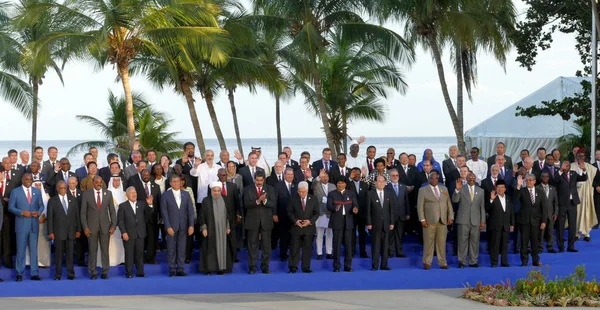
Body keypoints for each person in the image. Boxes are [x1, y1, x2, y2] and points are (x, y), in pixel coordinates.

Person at [9, 173, 44, 282]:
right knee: (21, 250)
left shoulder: (37, 191)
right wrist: (22, 212)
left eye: (30, 179)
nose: (29, 180)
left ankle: (34, 273)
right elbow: (11, 207)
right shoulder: (15, 192)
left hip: (34, 224)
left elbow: (41, 205)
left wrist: (38, 212)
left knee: (34, 250)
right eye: (27, 179)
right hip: (21, 225)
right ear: (22, 179)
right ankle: (19, 273)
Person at [81, 176, 117, 280]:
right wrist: (85, 227)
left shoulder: (108, 193)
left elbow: (112, 211)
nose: (99, 184)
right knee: (92, 250)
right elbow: (83, 213)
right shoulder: (86, 194)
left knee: (105, 250)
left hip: (105, 227)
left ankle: (105, 272)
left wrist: (113, 225)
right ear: (93, 183)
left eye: (100, 182)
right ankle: (92, 272)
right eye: (96, 182)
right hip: (91, 227)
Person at [417, 171, 454, 270]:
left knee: (442, 243)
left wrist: (450, 216)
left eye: (436, 178)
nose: (434, 180)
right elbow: (420, 206)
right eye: (432, 178)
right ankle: (427, 262)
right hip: (429, 221)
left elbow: (448, 204)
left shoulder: (444, 189)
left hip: (443, 220)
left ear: (438, 179)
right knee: (428, 242)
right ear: (428, 179)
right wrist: (422, 219)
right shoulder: (423, 190)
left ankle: (442, 262)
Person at [161, 175, 195, 277]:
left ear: (181, 183)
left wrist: (191, 225)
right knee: (171, 249)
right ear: (170, 183)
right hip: (171, 226)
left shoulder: (186, 194)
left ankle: (180, 269)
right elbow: (164, 213)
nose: (176, 183)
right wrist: (168, 226)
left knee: (181, 248)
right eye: (174, 182)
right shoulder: (165, 195)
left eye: (178, 181)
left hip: (184, 226)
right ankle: (172, 269)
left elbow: (191, 211)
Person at [243, 171, 276, 274]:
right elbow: (246, 204)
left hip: (266, 221)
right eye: (257, 180)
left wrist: (264, 201)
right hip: (252, 221)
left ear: (264, 180)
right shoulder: (247, 189)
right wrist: (257, 201)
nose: (259, 182)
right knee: (252, 245)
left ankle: (265, 266)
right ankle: (252, 267)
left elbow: (273, 203)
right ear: (254, 179)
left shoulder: (270, 189)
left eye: (261, 180)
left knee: (266, 245)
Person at [47, 181, 81, 280]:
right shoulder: (52, 201)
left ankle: (71, 274)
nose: (62, 190)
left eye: (64, 188)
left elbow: (77, 216)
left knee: (70, 254)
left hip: (71, 232)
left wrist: (78, 229)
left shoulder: (73, 200)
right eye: (60, 188)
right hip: (58, 232)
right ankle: (58, 275)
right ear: (57, 189)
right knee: (59, 255)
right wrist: (50, 232)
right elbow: (50, 218)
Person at [118, 186, 154, 278]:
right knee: (129, 254)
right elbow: (120, 221)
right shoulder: (123, 206)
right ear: (127, 195)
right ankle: (129, 272)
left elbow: (148, 214)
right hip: (128, 234)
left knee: (140, 254)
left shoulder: (142, 204)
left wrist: (150, 205)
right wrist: (123, 232)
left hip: (140, 233)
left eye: (135, 193)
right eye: (132, 193)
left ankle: (140, 272)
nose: (134, 194)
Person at [452, 172, 485, 268]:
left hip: (476, 220)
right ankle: (462, 261)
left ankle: (473, 261)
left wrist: (482, 221)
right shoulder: (461, 189)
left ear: (475, 179)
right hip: (463, 220)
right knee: (462, 241)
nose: (471, 179)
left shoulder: (481, 191)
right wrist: (457, 190)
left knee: (475, 242)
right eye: (469, 178)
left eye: (473, 178)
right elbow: (455, 200)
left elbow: (482, 207)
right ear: (466, 179)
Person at [199, 182, 232, 275]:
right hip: (210, 229)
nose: (217, 193)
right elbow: (202, 215)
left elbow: (228, 215)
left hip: (222, 229)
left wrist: (228, 227)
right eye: (215, 191)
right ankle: (209, 269)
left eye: (218, 191)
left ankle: (221, 268)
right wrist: (204, 228)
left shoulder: (225, 199)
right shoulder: (206, 200)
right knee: (210, 249)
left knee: (222, 248)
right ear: (211, 191)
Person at [515, 174, 547, 267]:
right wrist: (518, 186)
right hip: (524, 221)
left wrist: (543, 221)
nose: (528, 182)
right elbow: (515, 198)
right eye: (527, 180)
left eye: (530, 180)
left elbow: (544, 208)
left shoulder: (540, 192)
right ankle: (524, 261)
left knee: (535, 242)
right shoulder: (522, 191)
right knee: (524, 242)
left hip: (536, 222)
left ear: (534, 181)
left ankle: (535, 260)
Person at [555, 160, 587, 252]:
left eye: (567, 165)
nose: (566, 167)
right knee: (560, 225)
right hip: (562, 203)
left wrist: (584, 169)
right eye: (564, 165)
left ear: (570, 167)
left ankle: (571, 246)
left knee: (572, 225)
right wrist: (561, 170)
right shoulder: (559, 174)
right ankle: (560, 247)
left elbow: (584, 178)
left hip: (572, 203)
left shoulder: (574, 174)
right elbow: (554, 180)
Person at [327, 178, 358, 272]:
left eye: (342, 183)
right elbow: (328, 206)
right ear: (336, 184)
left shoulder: (351, 193)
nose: (340, 185)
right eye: (339, 183)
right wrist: (334, 208)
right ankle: (336, 266)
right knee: (336, 245)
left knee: (348, 245)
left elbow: (355, 205)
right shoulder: (332, 194)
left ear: (345, 184)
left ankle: (348, 266)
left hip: (348, 222)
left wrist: (355, 209)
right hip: (337, 222)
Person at [287, 181, 318, 273]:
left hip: (309, 228)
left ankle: (306, 267)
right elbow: (289, 212)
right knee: (294, 248)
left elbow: (316, 213)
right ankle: (293, 267)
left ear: (307, 190)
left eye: (303, 192)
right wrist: (295, 221)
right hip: (296, 228)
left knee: (307, 248)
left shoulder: (313, 199)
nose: (301, 193)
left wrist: (310, 221)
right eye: (299, 191)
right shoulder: (293, 199)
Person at [366, 175, 395, 271]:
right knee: (375, 246)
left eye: (383, 181)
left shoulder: (389, 193)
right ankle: (375, 265)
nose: (381, 183)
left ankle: (384, 265)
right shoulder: (370, 194)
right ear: (375, 182)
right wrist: (369, 223)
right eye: (379, 181)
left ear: (386, 183)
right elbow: (368, 210)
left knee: (385, 246)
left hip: (386, 224)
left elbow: (391, 209)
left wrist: (392, 222)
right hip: (375, 224)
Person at [132, 170, 161, 264]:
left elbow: (159, 202)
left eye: (147, 175)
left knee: (152, 239)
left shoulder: (156, 186)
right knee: (140, 238)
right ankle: (140, 258)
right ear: (141, 176)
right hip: (140, 217)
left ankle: (151, 258)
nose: (146, 176)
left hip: (153, 217)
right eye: (144, 175)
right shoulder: (136, 186)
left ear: (150, 176)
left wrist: (160, 216)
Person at [486, 180, 514, 267]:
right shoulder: (492, 197)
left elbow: (511, 212)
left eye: (502, 187)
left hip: (506, 225)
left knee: (505, 245)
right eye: (498, 187)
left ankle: (504, 262)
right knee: (495, 245)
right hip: (495, 226)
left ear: (505, 189)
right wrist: (491, 200)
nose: (500, 189)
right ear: (496, 188)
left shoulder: (508, 198)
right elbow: (487, 209)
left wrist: (512, 224)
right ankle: (494, 262)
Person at [216, 168, 241, 262]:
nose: (223, 177)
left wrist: (238, 215)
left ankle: (233, 257)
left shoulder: (233, 186)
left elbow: (237, 202)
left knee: (232, 238)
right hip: (218, 216)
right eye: (221, 175)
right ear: (217, 175)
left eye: (224, 175)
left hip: (231, 216)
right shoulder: (213, 186)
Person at [571, 151, 597, 241]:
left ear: (585, 157)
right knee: (575, 214)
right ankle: (575, 233)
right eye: (579, 156)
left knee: (586, 212)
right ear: (576, 156)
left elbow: (593, 180)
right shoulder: (571, 166)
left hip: (586, 193)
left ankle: (586, 233)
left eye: (582, 156)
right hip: (574, 194)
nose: (581, 157)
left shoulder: (591, 167)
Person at [273, 167, 296, 261]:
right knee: (284, 236)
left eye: (291, 174)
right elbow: (274, 200)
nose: (290, 176)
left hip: (294, 216)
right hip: (282, 215)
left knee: (294, 236)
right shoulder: (278, 185)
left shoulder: (296, 185)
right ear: (284, 175)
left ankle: (294, 254)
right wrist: (274, 214)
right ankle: (283, 254)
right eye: (288, 174)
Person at [386, 169, 410, 258]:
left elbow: (406, 201)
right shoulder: (386, 187)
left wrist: (408, 213)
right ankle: (390, 252)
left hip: (401, 214)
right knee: (390, 235)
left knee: (400, 235)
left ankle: (399, 252)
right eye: (393, 175)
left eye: (397, 175)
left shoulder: (403, 187)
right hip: (390, 216)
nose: (395, 177)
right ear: (390, 177)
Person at [27, 180, 50, 268]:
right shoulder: (29, 196)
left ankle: (43, 262)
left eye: (39, 185)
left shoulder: (47, 196)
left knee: (43, 243)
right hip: (31, 221)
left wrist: (44, 217)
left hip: (43, 222)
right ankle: (30, 262)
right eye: (35, 185)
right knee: (31, 242)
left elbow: (49, 208)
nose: (37, 187)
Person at [347, 167, 369, 258]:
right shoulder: (348, 184)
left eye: (358, 174)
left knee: (362, 233)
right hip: (351, 212)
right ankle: (351, 252)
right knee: (351, 233)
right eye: (354, 174)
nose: (356, 175)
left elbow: (367, 199)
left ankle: (363, 252)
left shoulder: (364, 185)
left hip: (362, 213)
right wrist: (349, 178)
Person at [104, 176, 126, 266]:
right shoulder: (106, 193)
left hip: (122, 222)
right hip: (109, 222)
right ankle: (110, 260)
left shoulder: (125, 194)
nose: (116, 182)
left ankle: (121, 259)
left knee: (120, 242)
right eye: (114, 180)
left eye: (118, 180)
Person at [313, 171, 335, 260]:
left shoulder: (333, 186)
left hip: (330, 213)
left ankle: (329, 252)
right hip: (320, 213)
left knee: (330, 234)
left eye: (326, 176)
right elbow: (313, 183)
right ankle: (319, 253)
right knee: (319, 234)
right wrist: (318, 177)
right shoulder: (316, 185)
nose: (325, 178)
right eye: (323, 176)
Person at [537, 172, 558, 253]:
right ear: (541, 178)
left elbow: (556, 202)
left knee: (550, 232)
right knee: (540, 233)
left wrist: (556, 213)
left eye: (547, 177)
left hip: (551, 214)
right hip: (541, 215)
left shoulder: (553, 188)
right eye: (543, 176)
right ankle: (540, 248)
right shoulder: (537, 188)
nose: (545, 178)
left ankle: (550, 247)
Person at [0, 164, 15, 270]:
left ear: (3, 173)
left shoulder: (12, 183)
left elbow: (16, 198)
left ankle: (8, 261)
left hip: (8, 216)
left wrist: (10, 201)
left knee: (7, 238)